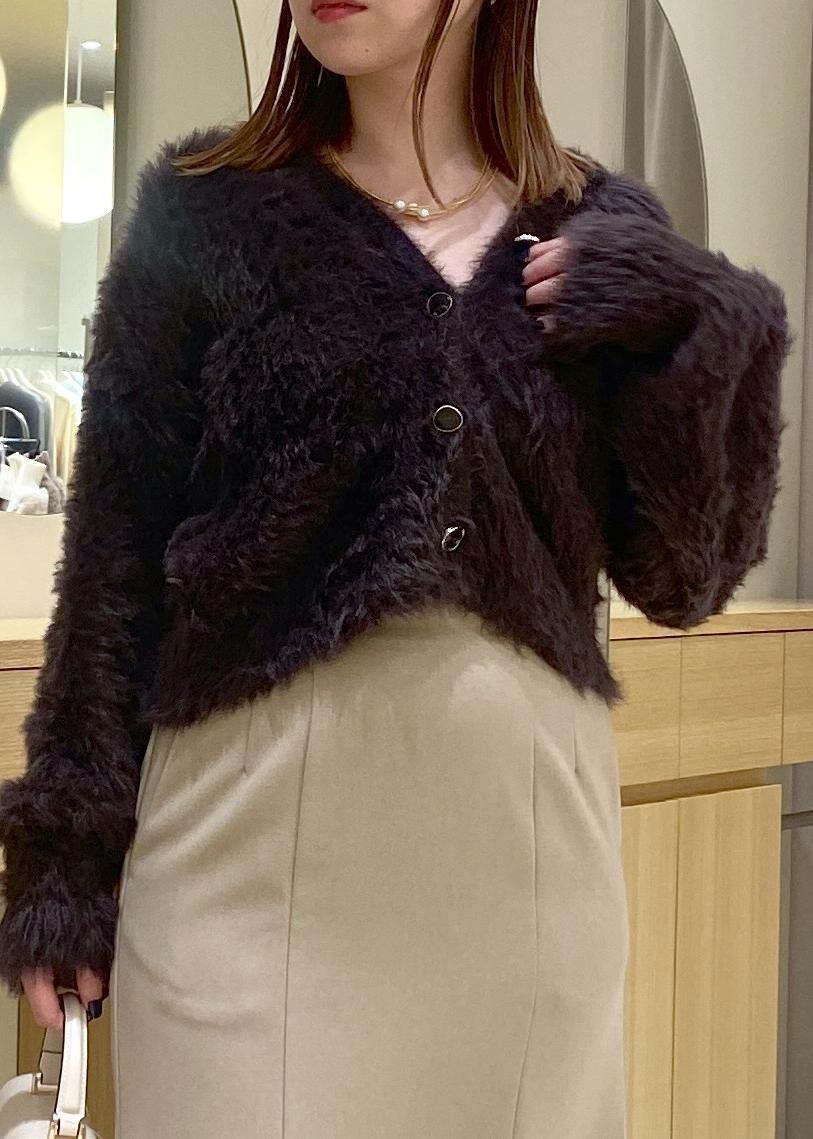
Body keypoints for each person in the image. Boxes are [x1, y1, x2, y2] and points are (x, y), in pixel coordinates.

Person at [0, 0, 792, 1136]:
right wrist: (63, 864)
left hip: (526, 878)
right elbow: (112, 560)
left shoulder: (599, 233)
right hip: (238, 871)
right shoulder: (205, 212)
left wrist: (715, 323)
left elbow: (685, 573)